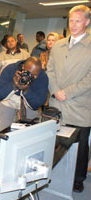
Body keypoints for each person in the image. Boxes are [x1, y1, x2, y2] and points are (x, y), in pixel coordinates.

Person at [47, 5, 91, 193]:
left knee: (80, 148)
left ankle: (78, 179)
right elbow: (50, 70)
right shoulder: (58, 45)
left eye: (78, 21)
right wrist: (56, 90)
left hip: (80, 106)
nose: (73, 25)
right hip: (57, 105)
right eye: (71, 20)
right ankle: (54, 175)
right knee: (56, 144)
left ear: (87, 22)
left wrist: (68, 92)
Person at [0, 57, 48, 131]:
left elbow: (38, 103)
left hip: (29, 102)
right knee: (4, 131)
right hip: (9, 100)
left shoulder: (42, 76)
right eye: (31, 74)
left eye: (36, 75)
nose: (34, 77)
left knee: (30, 130)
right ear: (23, 67)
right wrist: (14, 84)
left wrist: (26, 90)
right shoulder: (9, 69)